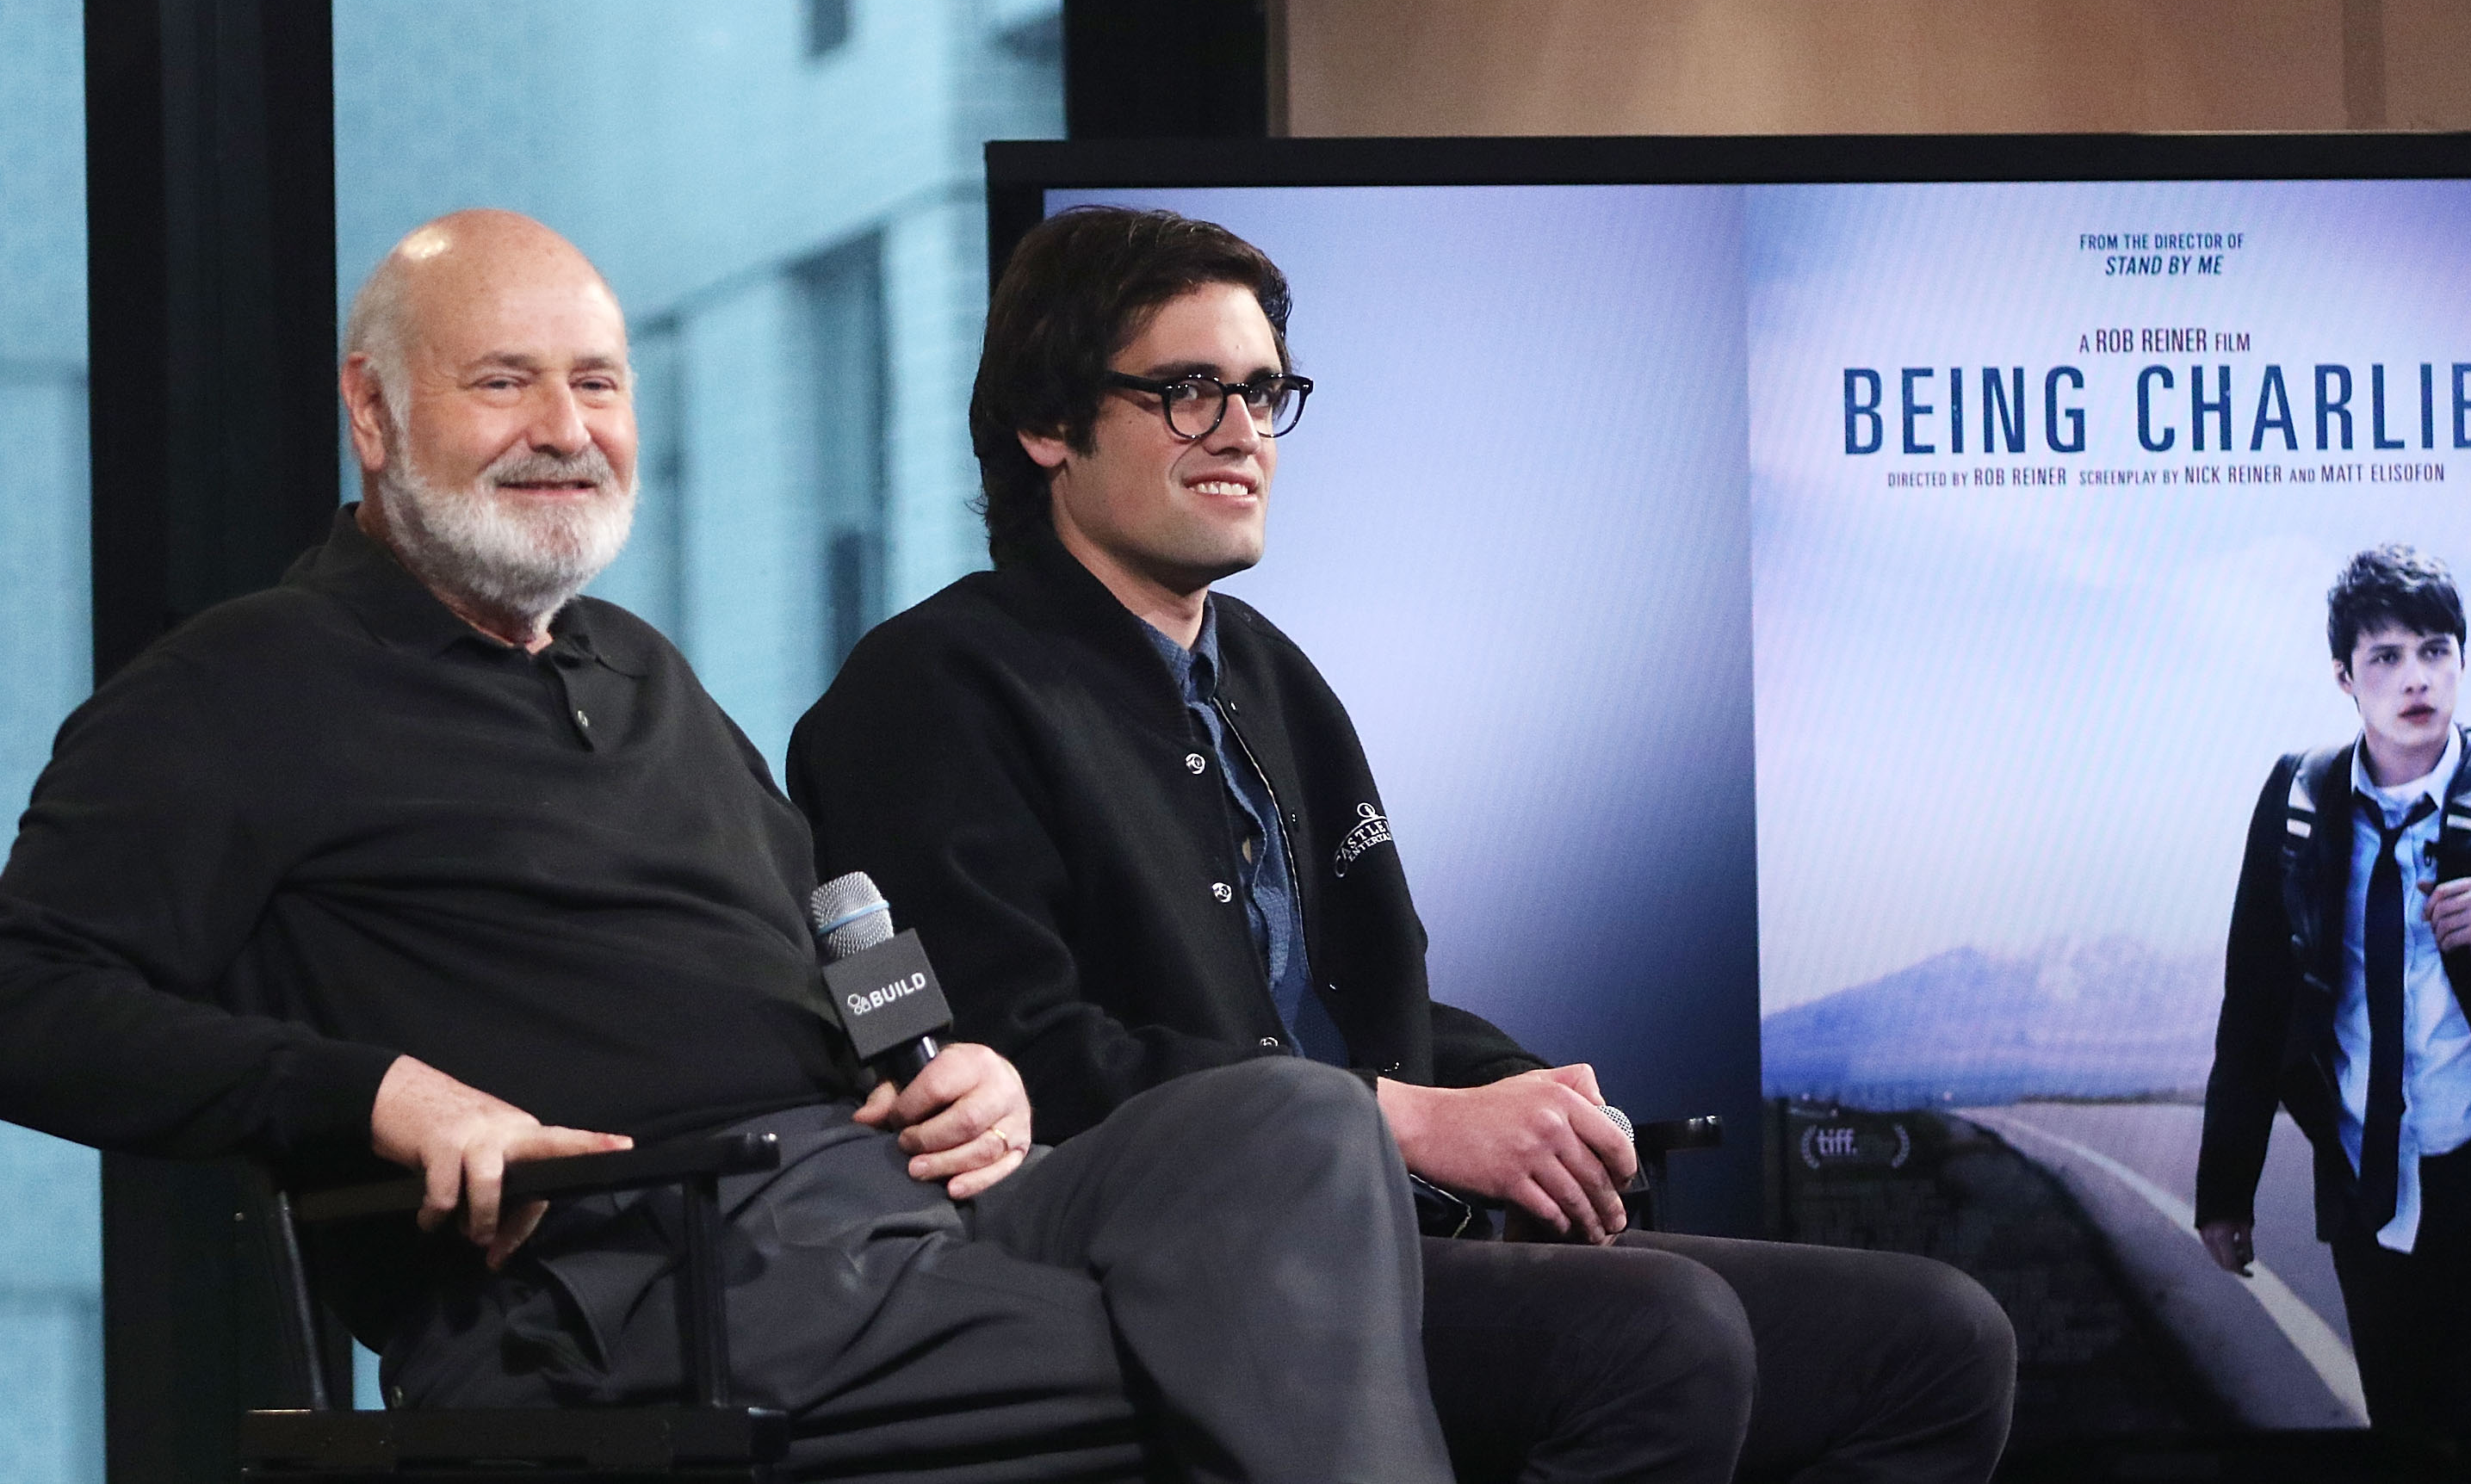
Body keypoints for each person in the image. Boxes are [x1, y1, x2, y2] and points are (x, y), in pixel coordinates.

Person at [0, 209, 1458, 1484]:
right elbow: (27, 996)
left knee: (1294, 1119)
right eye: (503, 381)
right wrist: (375, 1093)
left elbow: (836, 911)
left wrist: (945, 1054)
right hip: (628, 1280)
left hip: (885, 1215)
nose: (565, 427)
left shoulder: (638, 666)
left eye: (600, 383)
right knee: (1252, 1330)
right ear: (373, 415)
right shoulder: (240, 687)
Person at [789, 206, 2018, 1484]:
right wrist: (1410, 1121)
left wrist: (1524, 1095)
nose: (1243, 433)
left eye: (1265, 391)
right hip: (1204, 1263)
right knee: (1661, 1334)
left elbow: (1343, 1004)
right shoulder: (927, 692)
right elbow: (1014, 1056)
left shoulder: (1270, 673)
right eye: (1190, 388)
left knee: (1937, 1337)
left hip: (1390, 1227)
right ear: (1048, 425)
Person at [2196, 545, 2471, 1431]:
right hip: (2370, 1193)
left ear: (2461, 660)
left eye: (2435, 650)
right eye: (2386, 656)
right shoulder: (2299, 800)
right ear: (2344, 675)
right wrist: (2225, 1189)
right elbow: (2253, 999)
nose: (2417, 677)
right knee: (2405, 1434)